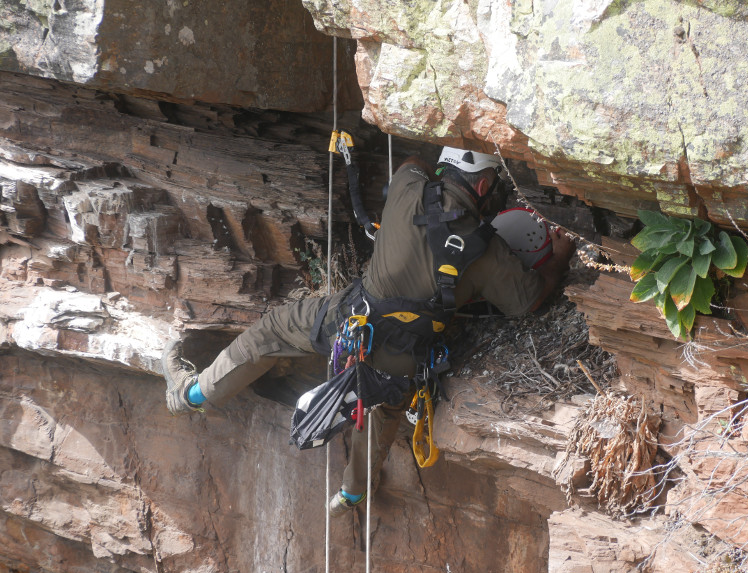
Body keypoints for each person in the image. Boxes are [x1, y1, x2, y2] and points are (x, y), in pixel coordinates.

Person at [161, 146, 576, 517]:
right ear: (484, 184)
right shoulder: (487, 251)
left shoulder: (407, 190)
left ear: (442, 170)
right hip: (403, 359)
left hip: (348, 325)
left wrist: (427, 168)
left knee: (271, 333)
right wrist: (558, 257)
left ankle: (190, 395)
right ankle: (352, 494)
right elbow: (528, 300)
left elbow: (412, 164)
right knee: (380, 410)